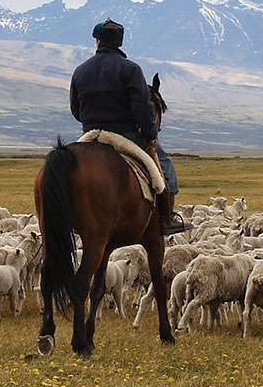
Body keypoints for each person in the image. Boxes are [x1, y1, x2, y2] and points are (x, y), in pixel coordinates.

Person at [69, 18, 188, 236]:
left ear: (98, 41)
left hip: (90, 135)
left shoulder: (80, 70)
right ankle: (166, 219)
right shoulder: (130, 69)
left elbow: (76, 110)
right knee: (165, 164)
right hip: (124, 135)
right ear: (119, 42)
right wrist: (150, 135)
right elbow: (142, 107)